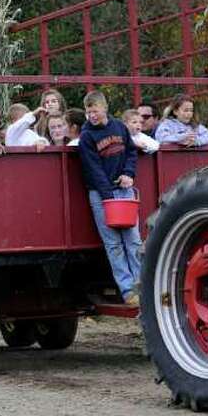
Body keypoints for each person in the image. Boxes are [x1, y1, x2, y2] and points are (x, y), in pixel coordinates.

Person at [78, 91, 142, 306]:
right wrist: (108, 197)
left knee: (133, 240)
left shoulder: (119, 127)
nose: (92, 116)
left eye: (95, 111)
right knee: (113, 244)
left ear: (104, 108)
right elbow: (92, 168)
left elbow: (131, 152)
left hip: (124, 190)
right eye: (88, 112)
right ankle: (127, 291)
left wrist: (129, 174)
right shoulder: (87, 136)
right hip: (102, 194)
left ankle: (141, 284)